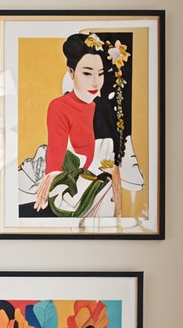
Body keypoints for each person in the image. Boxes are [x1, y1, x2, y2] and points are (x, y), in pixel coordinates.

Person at [19, 30, 144, 220]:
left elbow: (117, 166)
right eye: (86, 73)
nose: (95, 82)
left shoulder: (106, 109)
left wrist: (119, 211)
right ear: (71, 72)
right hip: (73, 188)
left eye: (100, 74)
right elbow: (56, 150)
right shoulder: (59, 106)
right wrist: (52, 174)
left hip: (104, 190)